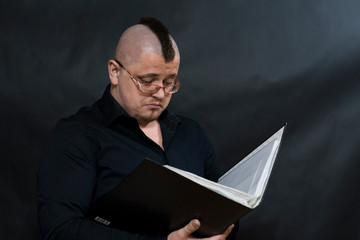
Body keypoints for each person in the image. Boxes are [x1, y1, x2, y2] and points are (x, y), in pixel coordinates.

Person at [37, 17, 237, 240]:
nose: (161, 93)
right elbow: (60, 230)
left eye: (170, 82)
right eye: (148, 81)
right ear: (114, 72)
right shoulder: (77, 135)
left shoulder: (192, 134)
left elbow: (225, 213)